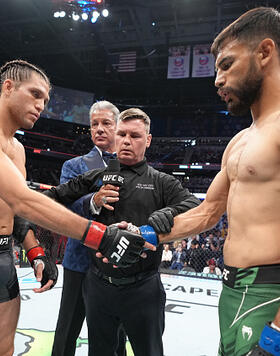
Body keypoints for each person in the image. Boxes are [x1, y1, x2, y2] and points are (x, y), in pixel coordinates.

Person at [141, 7, 280, 355]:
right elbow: (207, 213)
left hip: (270, 296)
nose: (216, 79)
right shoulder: (240, 141)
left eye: (227, 64)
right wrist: (142, 235)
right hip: (235, 292)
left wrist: (277, 333)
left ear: (264, 52)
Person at [0, 59, 152, 356]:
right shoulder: (75, 166)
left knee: (6, 348)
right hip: (83, 257)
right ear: (8, 87)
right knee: (67, 330)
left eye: (45, 99)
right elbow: (25, 200)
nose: (41, 105)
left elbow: (13, 211)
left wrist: (35, 252)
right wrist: (100, 234)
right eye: (35, 94)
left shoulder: (17, 149)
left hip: (5, 253)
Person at [44, 107, 201, 356]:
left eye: (135, 135)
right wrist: (90, 202)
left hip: (143, 288)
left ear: (148, 140)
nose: (127, 141)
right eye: (122, 134)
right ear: (116, 137)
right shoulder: (96, 176)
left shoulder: (162, 181)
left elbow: (194, 205)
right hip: (98, 285)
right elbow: (51, 198)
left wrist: (169, 212)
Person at [52, 100, 127, 356]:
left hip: (117, 263)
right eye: (94, 124)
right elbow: (64, 209)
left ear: (117, 126)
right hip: (79, 262)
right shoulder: (72, 166)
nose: (99, 128)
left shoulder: (133, 168)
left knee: (116, 336)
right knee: (67, 331)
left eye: (106, 123)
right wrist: (93, 200)